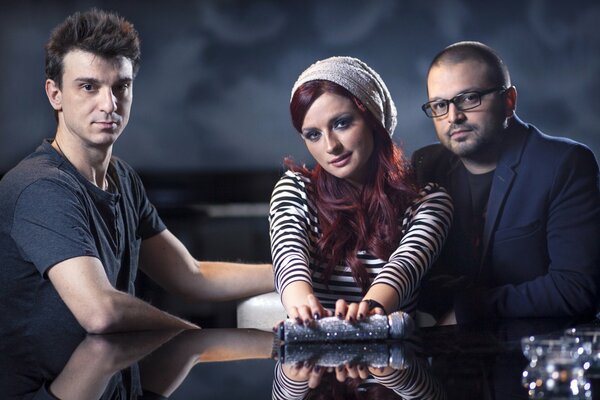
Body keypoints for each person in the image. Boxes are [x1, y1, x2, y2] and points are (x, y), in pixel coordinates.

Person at [0, 9, 273, 338]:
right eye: (89, 87)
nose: (109, 104)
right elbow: (101, 312)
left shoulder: (122, 178)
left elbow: (191, 276)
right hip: (56, 374)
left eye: (121, 87)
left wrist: (300, 273)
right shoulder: (39, 186)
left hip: (115, 370)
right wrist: (191, 336)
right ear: (55, 94)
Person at [413, 41, 600, 324]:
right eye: (440, 105)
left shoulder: (564, 163)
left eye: (469, 98)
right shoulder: (426, 165)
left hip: (540, 347)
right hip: (450, 350)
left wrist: (469, 310)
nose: (453, 117)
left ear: (509, 100)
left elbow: (577, 289)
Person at [269, 56, 452, 326]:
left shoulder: (428, 201)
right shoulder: (296, 190)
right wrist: (304, 311)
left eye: (341, 123)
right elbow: (290, 261)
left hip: (392, 349)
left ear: (373, 120)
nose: (330, 146)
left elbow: (404, 269)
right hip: (310, 343)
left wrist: (368, 311)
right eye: (313, 134)